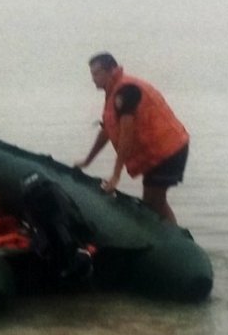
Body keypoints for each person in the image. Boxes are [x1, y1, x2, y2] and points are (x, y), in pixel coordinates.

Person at [75, 53, 189, 224]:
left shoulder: (126, 91)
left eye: (97, 73)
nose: (93, 79)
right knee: (155, 202)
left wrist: (116, 176)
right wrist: (88, 160)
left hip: (168, 150)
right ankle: (173, 235)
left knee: (153, 203)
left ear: (111, 70)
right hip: (158, 152)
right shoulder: (113, 94)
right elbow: (107, 132)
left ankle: (172, 238)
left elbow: (126, 136)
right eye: (92, 74)